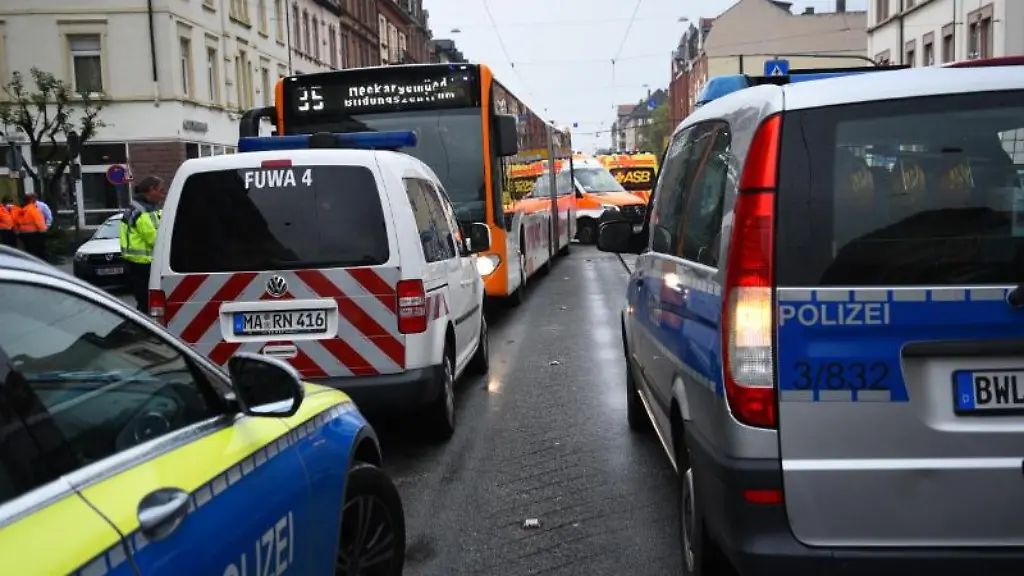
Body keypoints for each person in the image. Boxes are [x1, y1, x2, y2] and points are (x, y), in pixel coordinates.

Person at [120, 176, 165, 314]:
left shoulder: (141, 207)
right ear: (151, 190)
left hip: (137, 265)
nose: (163, 194)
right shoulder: (143, 212)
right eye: (161, 190)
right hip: (143, 266)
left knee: (146, 304)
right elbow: (157, 240)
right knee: (148, 306)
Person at [13, 193, 48, 259]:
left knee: (29, 253)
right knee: (39, 253)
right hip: (35, 234)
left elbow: (16, 223)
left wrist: (17, 232)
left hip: (23, 234)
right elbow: (39, 222)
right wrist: (43, 231)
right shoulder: (34, 210)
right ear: (31, 201)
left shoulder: (21, 211)